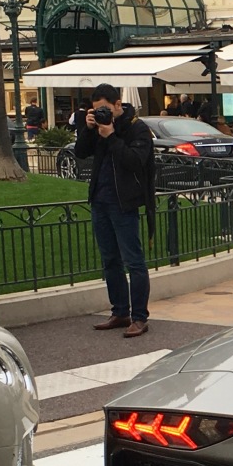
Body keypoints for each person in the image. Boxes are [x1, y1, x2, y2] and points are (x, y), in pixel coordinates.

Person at [74, 83, 155, 339]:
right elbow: (80, 152)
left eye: (105, 110)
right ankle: (120, 311)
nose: (101, 115)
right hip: (100, 200)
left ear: (118, 104)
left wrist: (111, 135)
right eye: (96, 111)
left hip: (124, 203)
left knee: (134, 261)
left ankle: (140, 317)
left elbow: (134, 162)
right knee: (110, 260)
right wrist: (87, 130)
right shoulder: (97, 127)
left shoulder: (137, 128)